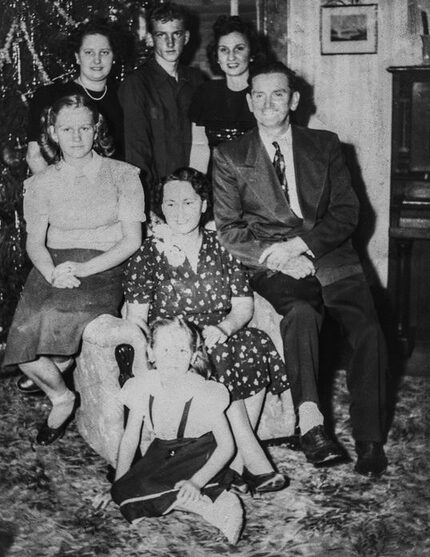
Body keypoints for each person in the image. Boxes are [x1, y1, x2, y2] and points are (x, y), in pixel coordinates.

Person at [212, 61, 388, 477]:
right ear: (249, 101)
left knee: (370, 331)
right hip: (273, 264)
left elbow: (347, 213)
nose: (268, 103)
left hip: (330, 255)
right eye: (259, 95)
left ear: (293, 100)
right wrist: (279, 256)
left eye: (278, 94)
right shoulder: (230, 156)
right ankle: (310, 421)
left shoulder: (325, 145)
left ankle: (370, 440)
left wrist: (301, 245)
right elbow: (229, 231)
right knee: (303, 313)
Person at [124, 167, 289, 493]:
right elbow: (136, 317)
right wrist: (151, 349)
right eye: (170, 204)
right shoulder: (150, 252)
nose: (178, 211)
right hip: (174, 339)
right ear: (161, 207)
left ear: (203, 204)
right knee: (219, 352)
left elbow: (243, 306)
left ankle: (236, 464)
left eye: (188, 202)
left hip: (217, 329)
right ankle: (252, 460)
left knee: (254, 343)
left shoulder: (223, 246)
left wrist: (225, 327)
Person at [3, 93, 145, 445]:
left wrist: (84, 267)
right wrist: (52, 272)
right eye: (68, 129)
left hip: (104, 265)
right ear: (53, 132)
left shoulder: (124, 175)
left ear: (97, 129)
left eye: (84, 127)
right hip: (54, 265)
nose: (77, 136)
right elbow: (35, 242)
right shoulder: (40, 183)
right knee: (21, 342)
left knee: (59, 317)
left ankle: (64, 362)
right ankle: (61, 397)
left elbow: (131, 241)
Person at [110, 317, 243, 545]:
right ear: (151, 353)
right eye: (166, 349)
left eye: (181, 350)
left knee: (156, 488)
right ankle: (193, 501)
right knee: (124, 490)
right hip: (163, 452)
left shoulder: (202, 391)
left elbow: (226, 446)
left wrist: (196, 482)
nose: (172, 357)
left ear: (192, 357)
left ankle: (222, 503)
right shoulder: (142, 386)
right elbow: (130, 438)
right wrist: (119, 483)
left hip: (200, 452)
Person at [119, 2, 204, 205]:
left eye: (176, 34)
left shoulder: (197, 81)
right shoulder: (135, 84)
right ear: (150, 39)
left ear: (187, 37)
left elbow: (204, 143)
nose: (170, 42)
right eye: (161, 35)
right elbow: (137, 151)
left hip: (193, 193)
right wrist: (147, 203)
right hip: (156, 196)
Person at [26, 18, 125, 176]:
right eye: (88, 52)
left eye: (104, 52)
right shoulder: (49, 96)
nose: (97, 60)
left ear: (113, 57)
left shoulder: (124, 98)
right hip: (59, 193)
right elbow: (34, 156)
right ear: (77, 57)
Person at [189, 15, 262, 160]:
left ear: (252, 54)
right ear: (216, 56)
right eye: (224, 50)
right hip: (215, 179)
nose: (231, 57)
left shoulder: (263, 93)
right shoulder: (205, 93)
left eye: (239, 48)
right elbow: (199, 148)